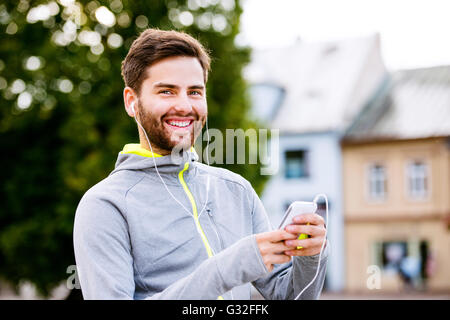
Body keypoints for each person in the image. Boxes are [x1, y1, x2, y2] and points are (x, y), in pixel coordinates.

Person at [73, 28, 328, 300]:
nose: (184, 106)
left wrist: (310, 256)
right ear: (131, 102)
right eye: (167, 92)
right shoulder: (104, 205)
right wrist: (231, 265)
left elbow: (288, 296)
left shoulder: (237, 191)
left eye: (194, 92)